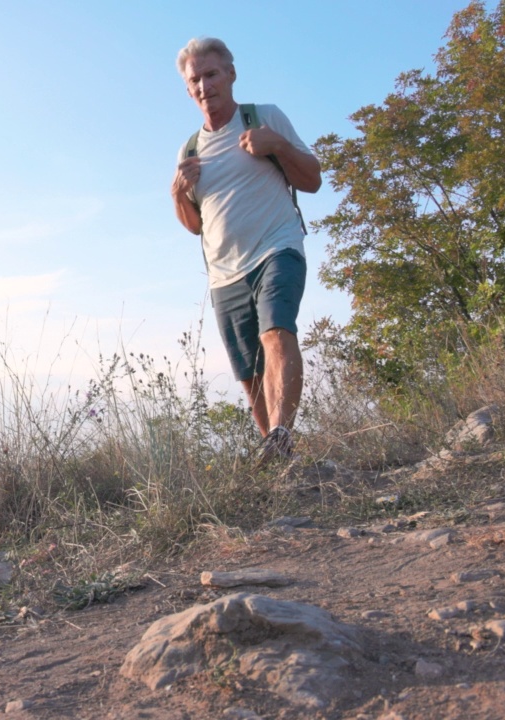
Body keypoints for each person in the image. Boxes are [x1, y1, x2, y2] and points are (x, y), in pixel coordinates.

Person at [170, 37, 322, 463]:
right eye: (195, 79)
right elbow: (193, 225)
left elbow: (312, 180)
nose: (204, 85)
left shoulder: (264, 118)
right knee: (249, 374)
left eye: (211, 74)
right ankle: (277, 458)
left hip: (278, 248)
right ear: (188, 90)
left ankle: (280, 433)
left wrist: (277, 146)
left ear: (231, 74)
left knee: (277, 331)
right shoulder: (189, 151)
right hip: (224, 275)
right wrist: (178, 193)